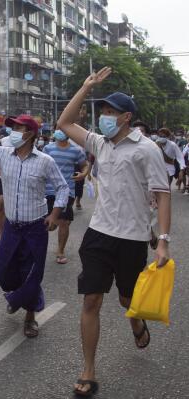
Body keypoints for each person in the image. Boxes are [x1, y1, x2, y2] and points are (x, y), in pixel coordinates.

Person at [57, 67, 171, 397]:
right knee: (91, 299)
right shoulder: (99, 142)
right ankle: (88, 370)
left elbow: (162, 195)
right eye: (102, 111)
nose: (104, 117)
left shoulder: (146, 148)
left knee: (127, 299)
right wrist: (85, 86)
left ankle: (135, 320)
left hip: (133, 237)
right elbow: (64, 124)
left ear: (126, 117)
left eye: (110, 112)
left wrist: (162, 241)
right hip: (99, 234)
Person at [0, 93, 69, 339]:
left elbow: (63, 187)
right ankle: (18, 296)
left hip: (36, 227)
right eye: (12, 127)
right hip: (12, 228)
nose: (13, 131)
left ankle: (29, 316)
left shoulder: (45, 161)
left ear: (31, 134)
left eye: (19, 128)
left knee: (32, 274)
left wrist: (55, 215)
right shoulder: (3, 154)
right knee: (3, 272)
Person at [43, 129, 89, 264]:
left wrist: (83, 174)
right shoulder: (47, 148)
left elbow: (85, 165)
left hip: (67, 191)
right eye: (58, 129)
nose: (60, 132)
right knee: (50, 224)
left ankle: (60, 251)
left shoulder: (76, 151)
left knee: (63, 222)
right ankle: (54, 222)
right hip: (48, 191)